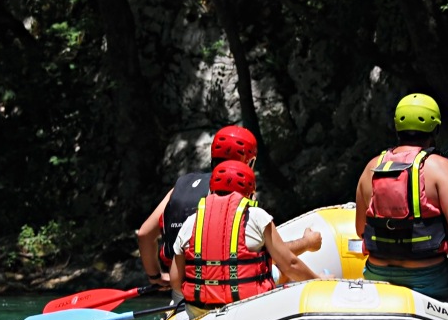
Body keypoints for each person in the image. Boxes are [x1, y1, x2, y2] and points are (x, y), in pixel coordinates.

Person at [137, 124, 321, 291]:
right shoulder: (238, 198)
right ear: (248, 162)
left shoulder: (182, 185)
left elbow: (145, 234)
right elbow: (265, 254)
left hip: (185, 287)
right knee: (282, 272)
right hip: (226, 287)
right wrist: (307, 243)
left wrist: (156, 277)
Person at [354, 93, 448, 301]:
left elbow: (360, 230)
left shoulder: (372, 167)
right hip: (429, 277)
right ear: (435, 129)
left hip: (377, 272)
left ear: (396, 128)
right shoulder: (440, 167)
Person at [170, 161, 320, 316]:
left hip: (199, 313)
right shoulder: (256, 217)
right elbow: (290, 264)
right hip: (247, 312)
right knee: (280, 272)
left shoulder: (190, 222)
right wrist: (319, 281)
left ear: (212, 189)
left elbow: (175, 281)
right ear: (249, 192)